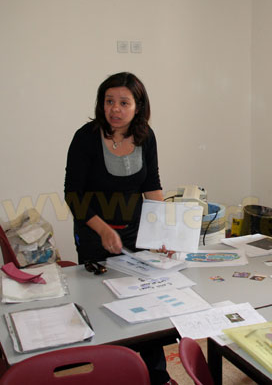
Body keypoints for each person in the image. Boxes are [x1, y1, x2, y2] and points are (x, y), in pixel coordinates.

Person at [64, 72, 176, 385]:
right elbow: (73, 195)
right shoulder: (86, 137)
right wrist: (102, 230)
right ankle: (110, 371)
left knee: (145, 303)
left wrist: (163, 232)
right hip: (93, 232)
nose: (115, 108)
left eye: (124, 102)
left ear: (138, 106)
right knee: (103, 306)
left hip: (136, 231)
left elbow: (152, 185)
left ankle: (156, 374)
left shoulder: (146, 136)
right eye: (109, 101)